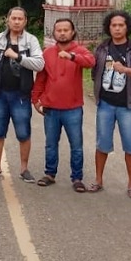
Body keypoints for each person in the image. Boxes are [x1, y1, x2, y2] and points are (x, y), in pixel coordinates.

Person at [90, 10, 131, 197]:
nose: (117, 28)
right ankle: (98, 180)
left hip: (128, 104)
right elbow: (94, 72)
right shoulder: (102, 48)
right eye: (113, 25)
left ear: (127, 27)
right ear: (109, 27)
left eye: (121, 25)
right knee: (102, 143)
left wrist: (126, 70)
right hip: (105, 103)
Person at [31, 18, 95, 192]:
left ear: (72, 32)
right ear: (54, 33)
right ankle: (50, 173)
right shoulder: (47, 53)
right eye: (59, 30)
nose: (62, 33)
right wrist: (35, 99)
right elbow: (41, 78)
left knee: (76, 145)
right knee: (51, 143)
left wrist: (72, 56)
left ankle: (77, 178)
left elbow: (90, 62)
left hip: (73, 108)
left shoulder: (79, 51)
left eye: (66, 30)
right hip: (51, 108)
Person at [0, 7, 44, 183]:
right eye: (13, 18)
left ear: (25, 21)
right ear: (7, 20)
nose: (16, 21)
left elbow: (40, 64)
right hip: (0, 94)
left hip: (21, 95)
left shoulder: (31, 40)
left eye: (20, 19)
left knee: (23, 133)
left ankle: (24, 169)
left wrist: (18, 57)